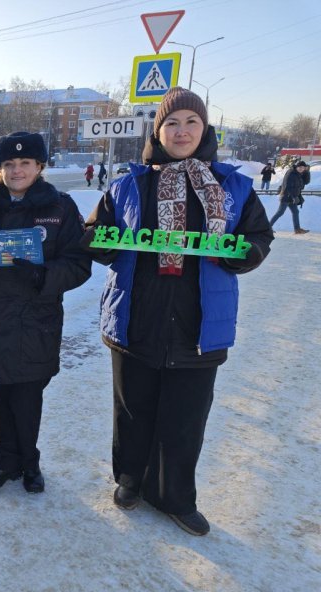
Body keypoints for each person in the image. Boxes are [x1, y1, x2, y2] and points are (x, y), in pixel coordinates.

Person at [81, 87, 274, 536]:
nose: (181, 130)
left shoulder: (233, 185)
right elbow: (97, 231)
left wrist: (240, 254)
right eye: (172, 123)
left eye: (191, 121)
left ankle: (175, 497)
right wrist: (96, 241)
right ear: (158, 130)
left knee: (186, 416)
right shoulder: (129, 183)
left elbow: (259, 237)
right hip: (136, 316)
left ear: (205, 129)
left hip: (200, 322)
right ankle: (130, 480)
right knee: (132, 408)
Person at [0, 132, 91, 494]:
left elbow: (79, 265)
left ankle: (29, 462)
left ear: (40, 166)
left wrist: (43, 275)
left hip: (35, 325)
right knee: (1, 396)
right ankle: (6, 461)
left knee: (28, 398)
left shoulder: (60, 208)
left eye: (25, 163)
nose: (17, 170)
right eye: (8, 164)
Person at [270, 160, 310, 234]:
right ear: (297, 167)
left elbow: (306, 182)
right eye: (300, 167)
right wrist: (294, 197)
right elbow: (287, 186)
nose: (301, 169)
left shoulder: (299, 174)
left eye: (303, 168)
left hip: (292, 197)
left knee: (295, 212)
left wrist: (307, 172)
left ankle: (297, 229)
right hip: (286, 196)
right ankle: (268, 228)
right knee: (280, 212)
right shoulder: (291, 173)